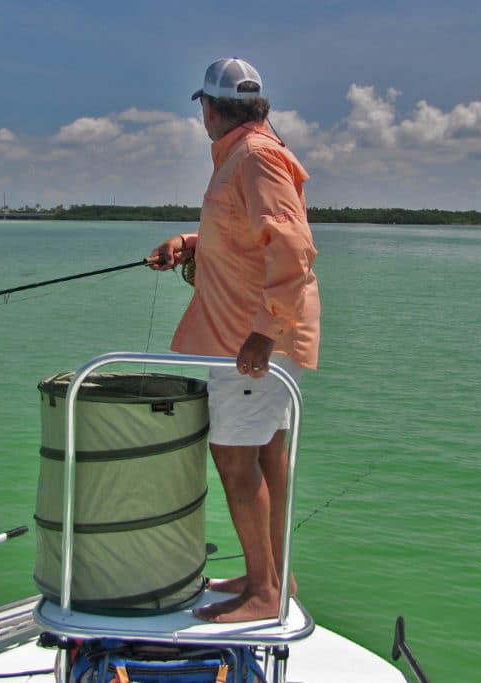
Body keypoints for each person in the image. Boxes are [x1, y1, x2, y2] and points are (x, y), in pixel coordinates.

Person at [149, 57, 320, 623]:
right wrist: (190, 241)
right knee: (267, 452)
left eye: (201, 106)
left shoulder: (253, 156)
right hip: (247, 337)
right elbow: (245, 232)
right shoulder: (245, 154)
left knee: (233, 456)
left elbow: (292, 250)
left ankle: (265, 594)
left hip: (247, 342)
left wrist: (263, 335)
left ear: (211, 107)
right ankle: (270, 575)